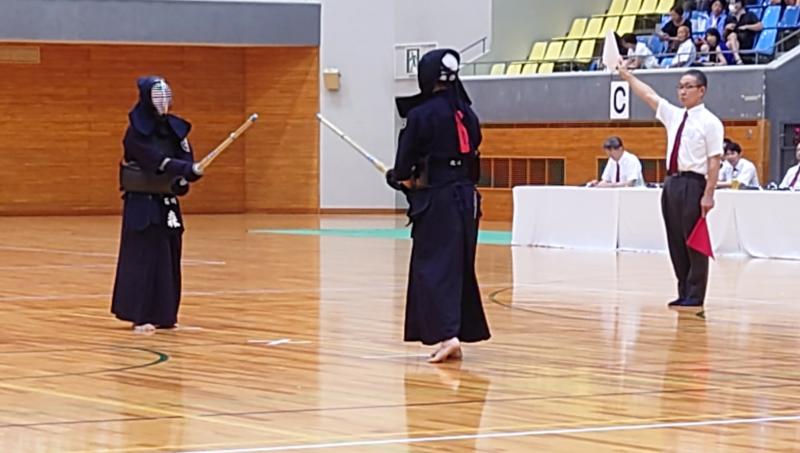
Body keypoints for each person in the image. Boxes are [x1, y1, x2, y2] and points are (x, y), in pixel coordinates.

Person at [386, 49, 491, 363]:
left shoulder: (421, 115)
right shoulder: (468, 114)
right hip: (467, 201)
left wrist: (399, 178)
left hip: (439, 202)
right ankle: (455, 332)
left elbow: (403, 167)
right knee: (458, 267)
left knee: (433, 267)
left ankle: (448, 336)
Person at [617, 64, 723, 309]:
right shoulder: (675, 116)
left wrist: (709, 194)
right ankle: (683, 290)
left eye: (688, 87)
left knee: (693, 240)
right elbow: (649, 95)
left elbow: (714, 161)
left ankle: (695, 294)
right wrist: (627, 76)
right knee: (675, 240)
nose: (682, 92)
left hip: (694, 184)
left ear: (702, 90)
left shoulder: (710, 123)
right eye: (680, 87)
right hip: (672, 183)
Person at [111, 76, 203, 333]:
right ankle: (140, 315)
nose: (163, 101)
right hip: (142, 204)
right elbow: (155, 160)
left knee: (169, 257)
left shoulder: (175, 128)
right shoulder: (135, 133)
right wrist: (182, 168)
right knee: (143, 259)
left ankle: (165, 314)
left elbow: (184, 154)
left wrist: (187, 174)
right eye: (157, 96)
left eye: (166, 96)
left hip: (167, 203)